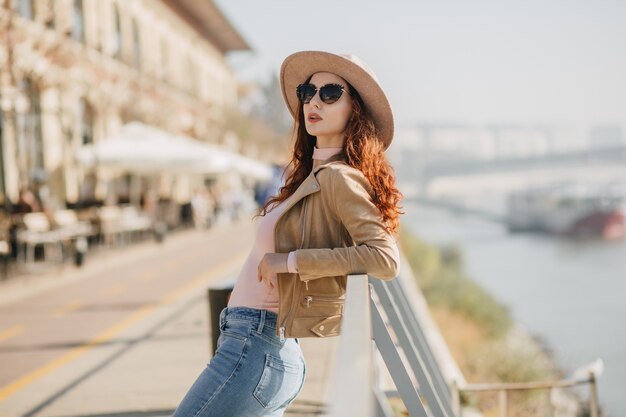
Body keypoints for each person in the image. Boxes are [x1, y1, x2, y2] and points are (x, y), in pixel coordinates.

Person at [173, 51, 403, 417]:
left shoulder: (340, 177)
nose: (313, 101)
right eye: (307, 91)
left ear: (354, 109)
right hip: (254, 344)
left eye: (330, 93)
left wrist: (291, 262)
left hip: (257, 346)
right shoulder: (312, 177)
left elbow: (384, 257)